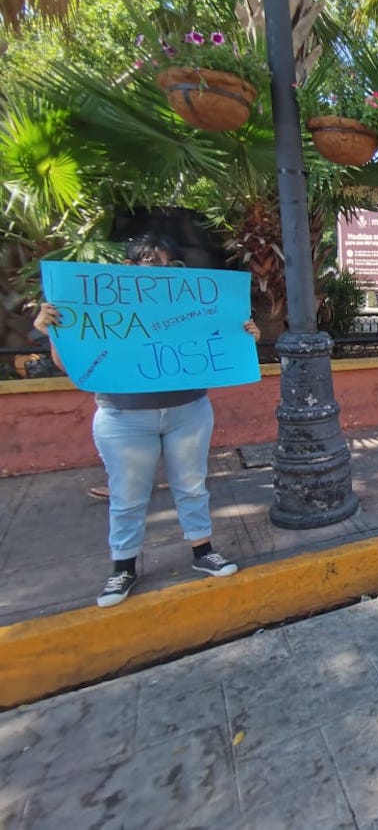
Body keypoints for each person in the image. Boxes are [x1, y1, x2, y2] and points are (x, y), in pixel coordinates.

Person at [32, 233, 260, 608]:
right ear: (129, 267)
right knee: (127, 495)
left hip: (188, 409)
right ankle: (123, 567)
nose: (163, 271)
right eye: (153, 262)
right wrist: (54, 332)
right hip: (123, 416)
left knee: (191, 485)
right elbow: (70, 365)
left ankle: (203, 551)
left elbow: (217, 341)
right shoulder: (101, 305)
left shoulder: (182, 302)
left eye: (168, 264)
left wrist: (245, 336)